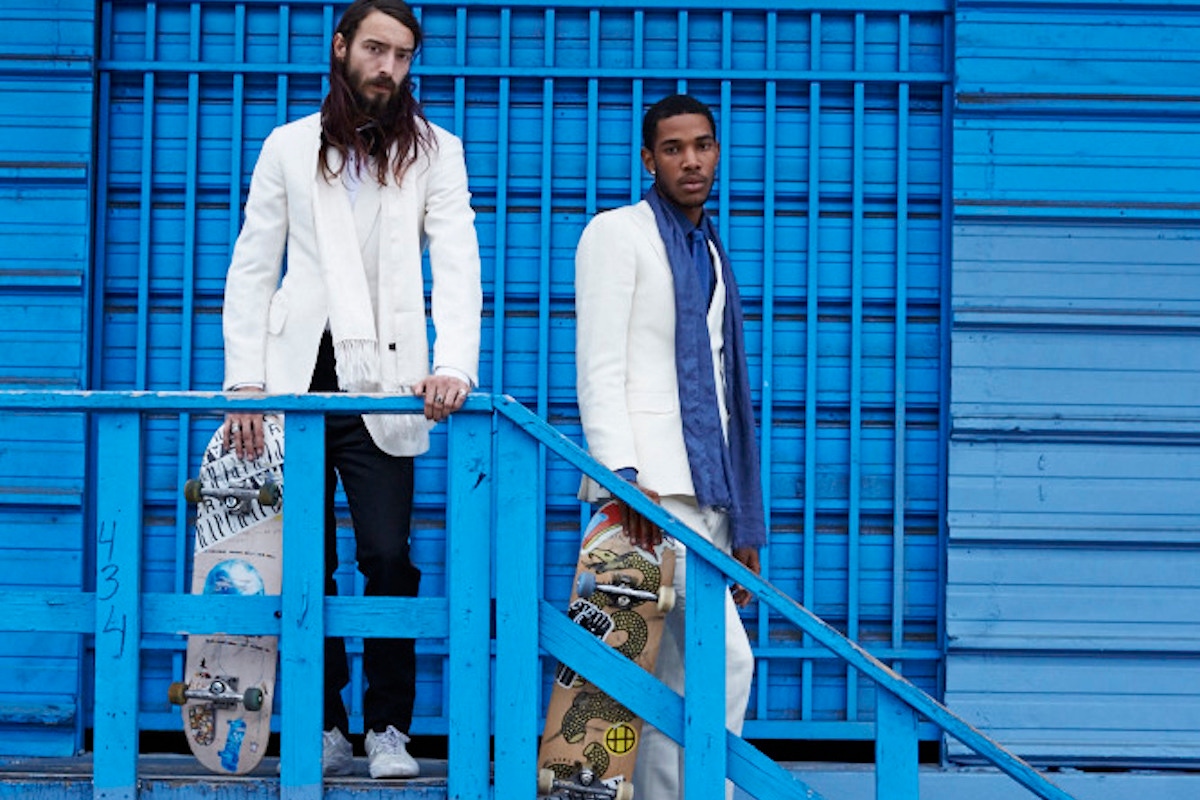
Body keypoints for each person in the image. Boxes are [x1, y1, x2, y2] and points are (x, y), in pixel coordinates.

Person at [220, 0, 482, 780]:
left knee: (386, 555)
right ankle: (326, 721)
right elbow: (252, 264)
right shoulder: (288, 146)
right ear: (341, 48)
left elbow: (459, 260)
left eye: (402, 56)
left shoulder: (437, 150)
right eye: (375, 50)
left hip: (391, 384)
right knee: (305, 555)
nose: (388, 69)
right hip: (295, 386)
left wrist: (456, 366)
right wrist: (245, 381)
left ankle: (389, 727)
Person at [574, 94, 765, 799]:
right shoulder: (616, 233)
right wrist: (623, 478)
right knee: (726, 664)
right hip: (648, 493)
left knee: (675, 680)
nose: (692, 160)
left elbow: (721, 386)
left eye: (704, 146)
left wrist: (742, 519)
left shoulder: (709, 248)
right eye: (675, 148)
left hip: (708, 496)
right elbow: (599, 365)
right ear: (649, 159)